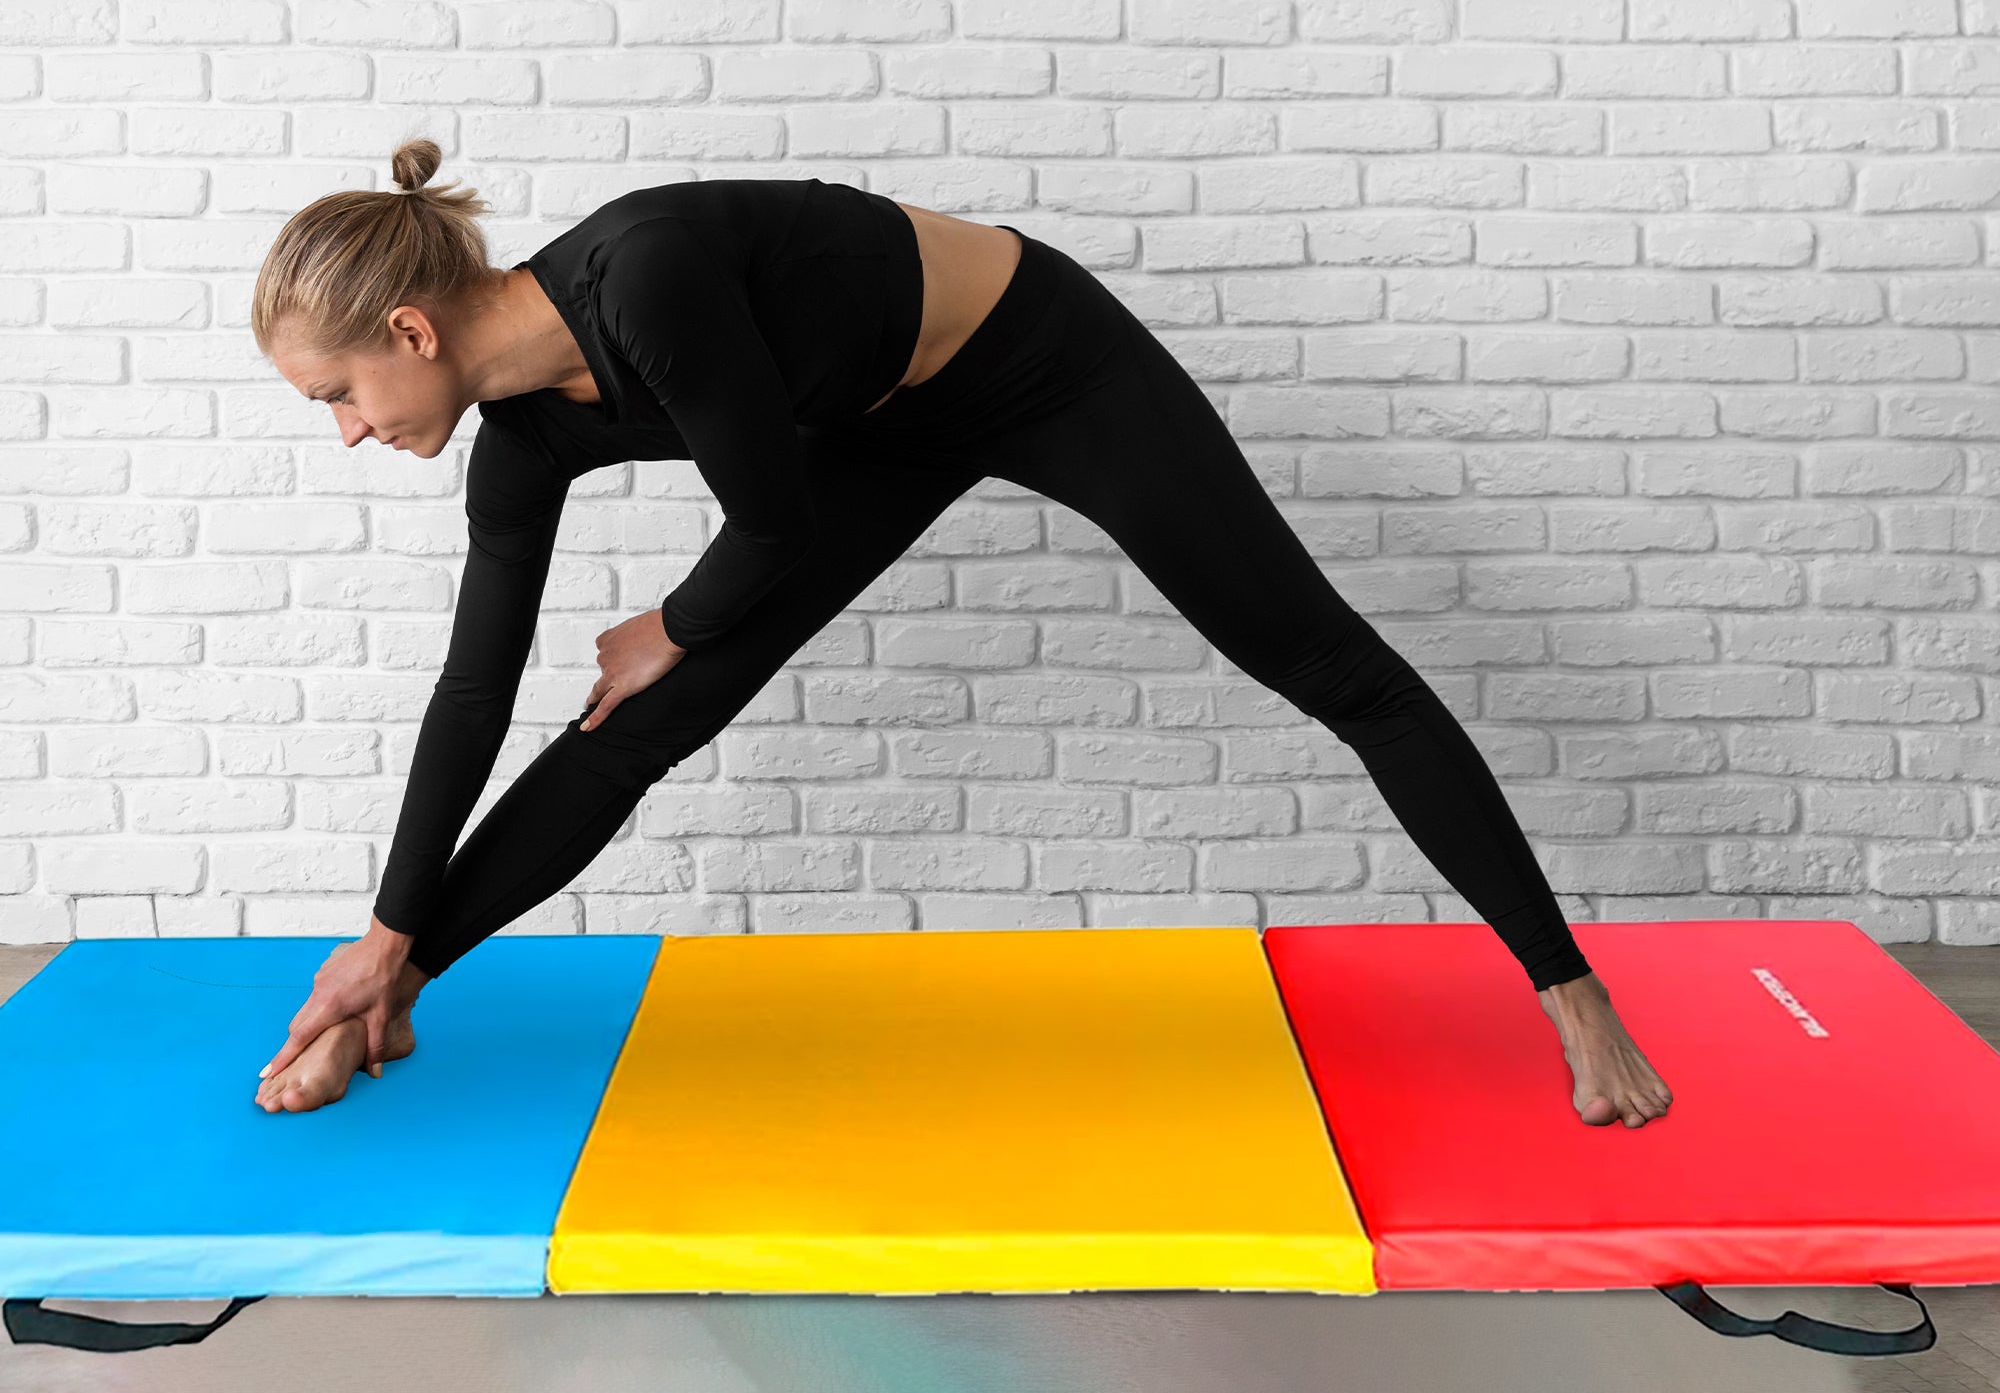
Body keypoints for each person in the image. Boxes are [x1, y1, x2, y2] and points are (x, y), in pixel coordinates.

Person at [248, 139, 1672, 1130]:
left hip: (1038, 361)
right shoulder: (520, 445)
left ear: (411, 331)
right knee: (635, 721)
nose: (347, 431)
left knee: (1324, 663)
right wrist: (386, 931)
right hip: (864, 428)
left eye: (337, 394)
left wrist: (670, 621)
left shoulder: (646, 274)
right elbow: (472, 692)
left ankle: (1574, 998)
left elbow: (771, 526)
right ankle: (392, 997)